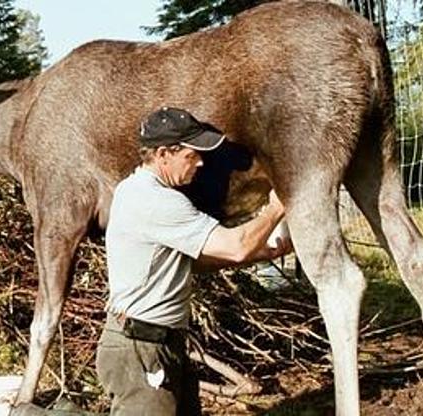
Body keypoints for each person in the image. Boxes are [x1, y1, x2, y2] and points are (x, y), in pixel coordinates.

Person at [97, 107, 293, 415]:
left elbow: (197, 262)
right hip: (141, 349)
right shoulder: (156, 200)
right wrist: (277, 207)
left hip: (162, 344)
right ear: (163, 154)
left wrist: (261, 252)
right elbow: (236, 246)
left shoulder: (140, 191)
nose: (201, 162)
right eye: (192, 155)